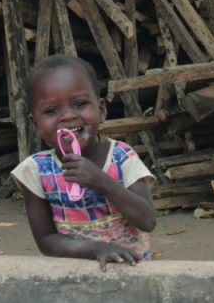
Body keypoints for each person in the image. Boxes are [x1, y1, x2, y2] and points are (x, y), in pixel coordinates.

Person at [11, 55, 157, 270]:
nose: (67, 116)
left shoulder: (122, 157)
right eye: (51, 111)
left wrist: (104, 183)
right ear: (35, 124)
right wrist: (95, 249)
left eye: (80, 104)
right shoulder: (35, 171)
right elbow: (45, 240)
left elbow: (147, 221)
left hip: (130, 273)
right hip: (72, 275)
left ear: (101, 110)